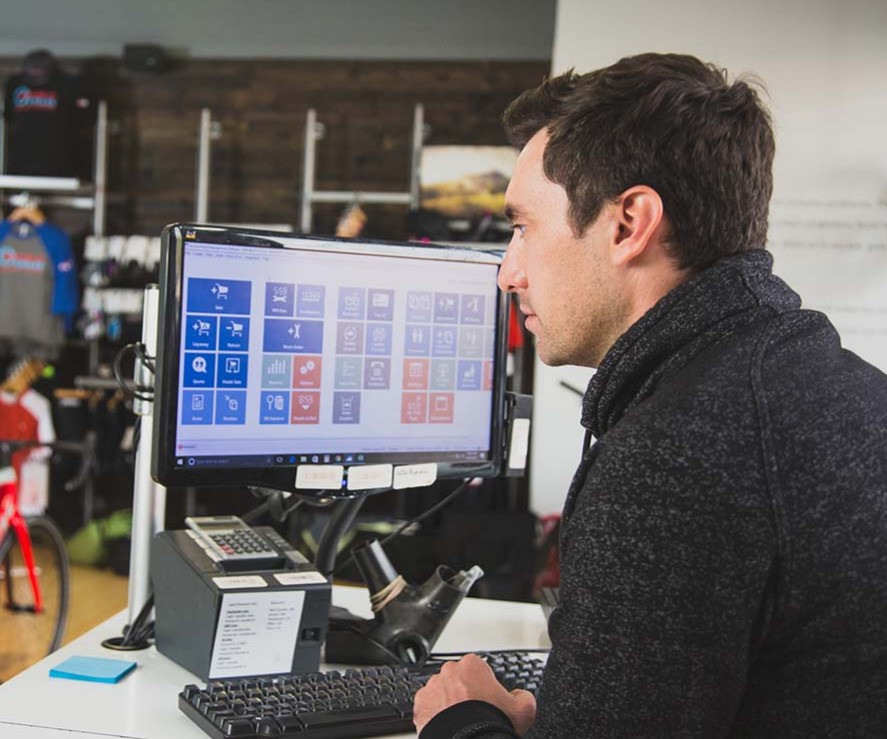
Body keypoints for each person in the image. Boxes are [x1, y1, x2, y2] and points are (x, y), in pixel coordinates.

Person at [413, 53, 887, 738]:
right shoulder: (832, 386)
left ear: (628, 222)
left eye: (522, 227)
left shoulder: (677, 454)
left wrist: (461, 721)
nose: (506, 273)